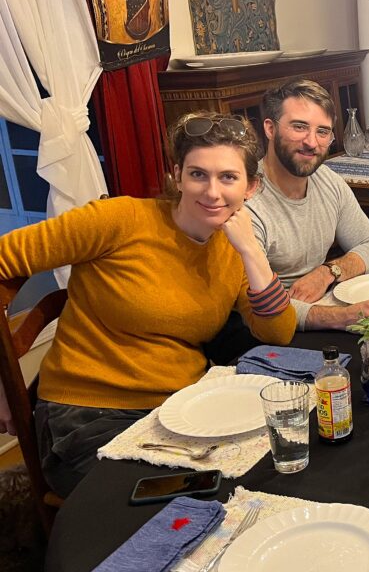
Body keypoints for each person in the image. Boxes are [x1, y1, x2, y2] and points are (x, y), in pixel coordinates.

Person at [0, 113, 295, 497]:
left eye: (228, 177)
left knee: (268, 469)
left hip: (181, 411)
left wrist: (252, 252)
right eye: (198, 174)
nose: (211, 192)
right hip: (85, 415)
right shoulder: (119, 220)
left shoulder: (232, 250)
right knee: (179, 500)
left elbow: (278, 331)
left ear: (251, 187)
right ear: (177, 175)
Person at [246, 79, 369, 330]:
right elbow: (256, 306)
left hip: (322, 307)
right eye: (299, 127)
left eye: (322, 132)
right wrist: (342, 317)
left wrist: (327, 273)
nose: (312, 142)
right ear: (270, 128)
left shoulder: (328, 180)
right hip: (275, 329)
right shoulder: (247, 202)